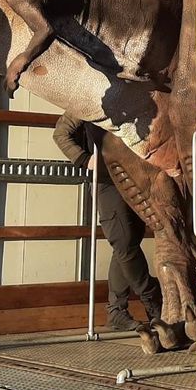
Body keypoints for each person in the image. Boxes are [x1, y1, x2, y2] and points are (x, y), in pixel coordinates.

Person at [53, 113, 163, 331]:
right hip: (107, 182)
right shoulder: (86, 98)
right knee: (123, 243)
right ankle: (152, 297)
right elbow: (61, 133)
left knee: (127, 243)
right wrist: (84, 159)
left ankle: (117, 311)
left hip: (134, 177)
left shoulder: (128, 95)